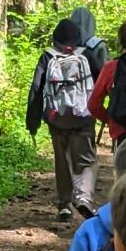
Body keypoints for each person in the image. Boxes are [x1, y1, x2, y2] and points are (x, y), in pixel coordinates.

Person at [26, 15, 100, 222]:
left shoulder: (47, 57)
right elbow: (101, 82)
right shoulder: (87, 55)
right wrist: (106, 112)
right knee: (85, 159)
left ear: (55, 38)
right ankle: (84, 197)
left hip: (56, 118)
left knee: (62, 159)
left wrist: (32, 121)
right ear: (77, 37)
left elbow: (36, 89)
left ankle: (65, 204)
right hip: (83, 117)